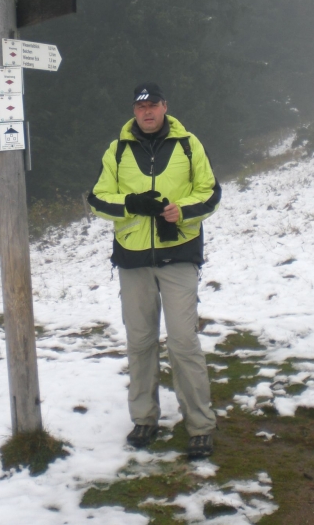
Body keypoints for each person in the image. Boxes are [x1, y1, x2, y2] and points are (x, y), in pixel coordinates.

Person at [87, 82, 221, 459]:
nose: (146, 112)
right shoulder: (116, 150)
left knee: (182, 341)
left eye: (153, 105)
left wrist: (184, 210)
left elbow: (210, 192)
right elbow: (97, 198)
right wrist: (131, 203)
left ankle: (200, 424)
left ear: (165, 107)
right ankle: (144, 419)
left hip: (178, 255)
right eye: (139, 106)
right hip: (132, 260)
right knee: (141, 343)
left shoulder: (189, 144)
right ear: (133, 111)